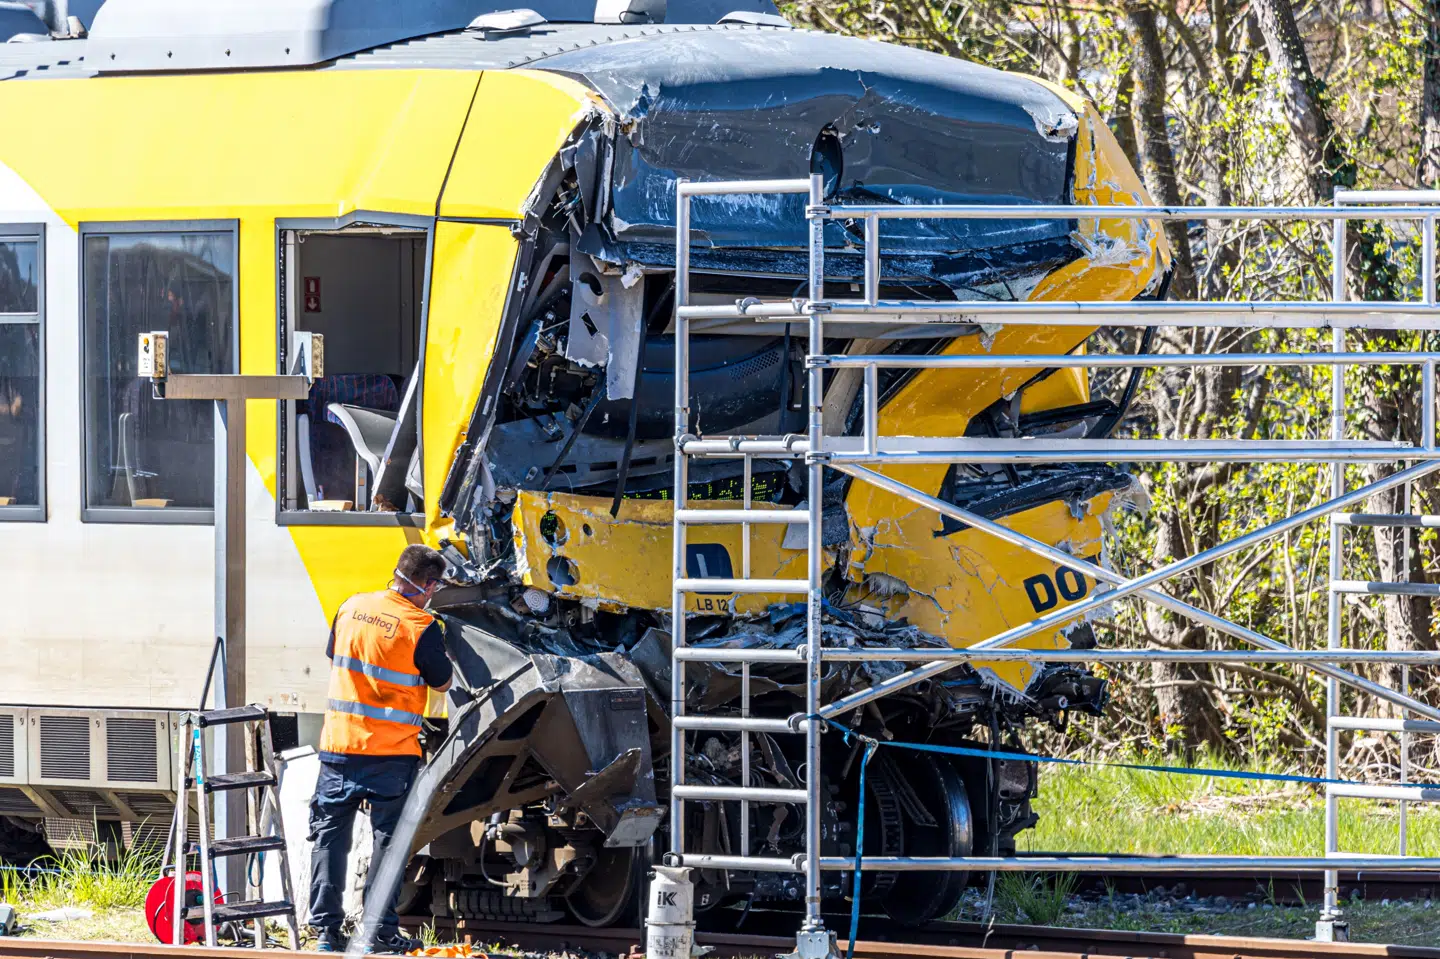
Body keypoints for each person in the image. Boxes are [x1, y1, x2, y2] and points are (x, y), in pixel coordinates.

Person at [308, 545, 453, 953]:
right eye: (435, 586)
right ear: (426, 585)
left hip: (338, 748)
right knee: (388, 847)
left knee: (329, 841)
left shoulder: (351, 607)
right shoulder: (421, 625)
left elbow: (334, 654)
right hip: (391, 755)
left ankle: (325, 933)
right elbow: (441, 682)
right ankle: (376, 934)